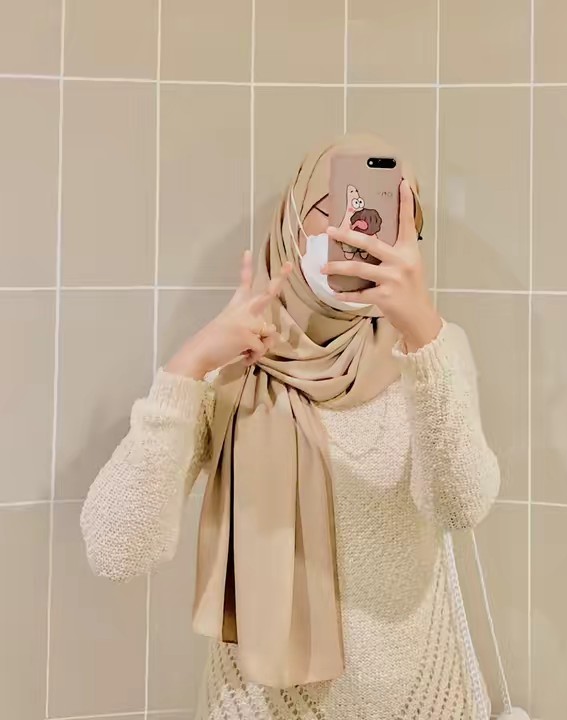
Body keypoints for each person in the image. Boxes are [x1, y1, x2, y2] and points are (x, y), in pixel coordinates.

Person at [81, 135, 501, 720]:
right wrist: (189, 368)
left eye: (391, 216)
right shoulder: (235, 362)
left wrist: (423, 333)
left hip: (424, 703)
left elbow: (460, 507)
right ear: (293, 223)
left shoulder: (433, 353)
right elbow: (115, 549)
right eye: (345, 207)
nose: (363, 231)